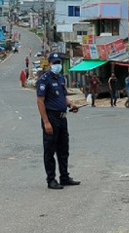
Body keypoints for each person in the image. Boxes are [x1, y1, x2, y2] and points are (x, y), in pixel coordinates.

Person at [36, 52, 81, 190]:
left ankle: (64, 177)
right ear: (49, 64)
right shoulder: (44, 80)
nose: (57, 65)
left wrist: (70, 104)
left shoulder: (61, 78)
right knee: (50, 150)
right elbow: (40, 101)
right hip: (51, 118)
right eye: (54, 63)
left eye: (58, 63)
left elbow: (63, 96)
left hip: (62, 118)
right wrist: (46, 122)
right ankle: (51, 179)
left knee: (63, 149)